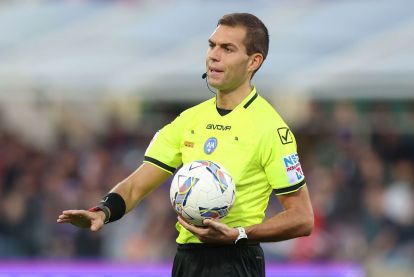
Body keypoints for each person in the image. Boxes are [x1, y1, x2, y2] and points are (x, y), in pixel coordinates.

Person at [57, 12, 314, 277]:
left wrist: (239, 234)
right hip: (186, 260)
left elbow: (302, 218)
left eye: (227, 49)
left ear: (253, 61)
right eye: (212, 45)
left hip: (236, 259)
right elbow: (136, 185)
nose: (214, 55)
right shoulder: (190, 119)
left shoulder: (270, 128)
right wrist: (103, 211)